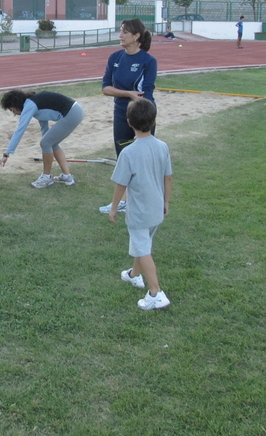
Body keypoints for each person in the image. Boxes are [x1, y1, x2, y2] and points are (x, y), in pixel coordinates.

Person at [108, 98, 173, 311]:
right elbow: (168, 178)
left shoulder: (128, 153)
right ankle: (134, 275)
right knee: (143, 243)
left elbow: (121, 184)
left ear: (128, 123)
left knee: (143, 249)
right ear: (153, 121)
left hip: (139, 211)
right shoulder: (162, 146)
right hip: (157, 209)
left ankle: (156, 293)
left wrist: (114, 207)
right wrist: (166, 202)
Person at [99, 18, 157, 214]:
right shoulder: (115, 57)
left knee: (144, 160)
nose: (120, 35)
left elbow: (146, 94)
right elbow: (106, 88)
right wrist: (128, 94)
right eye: (121, 31)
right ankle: (123, 202)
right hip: (121, 113)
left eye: (125, 32)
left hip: (142, 114)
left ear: (137, 36)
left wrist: (138, 110)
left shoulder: (148, 61)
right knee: (123, 158)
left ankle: (145, 201)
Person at [0, 89, 84, 188]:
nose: (14, 114)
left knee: (46, 143)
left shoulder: (30, 105)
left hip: (72, 113)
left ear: (16, 104)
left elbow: (20, 130)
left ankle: (46, 177)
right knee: (50, 143)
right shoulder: (34, 102)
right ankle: (67, 177)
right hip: (75, 111)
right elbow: (44, 126)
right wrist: (47, 143)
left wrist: (7, 154)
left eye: (13, 110)